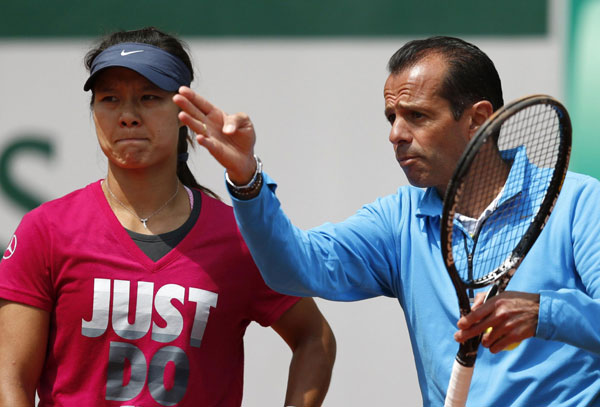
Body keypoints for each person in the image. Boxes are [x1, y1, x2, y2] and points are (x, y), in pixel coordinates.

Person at [173, 36, 600, 406]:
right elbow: (294, 269)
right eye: (391, 118)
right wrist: (246, 179)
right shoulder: (398, 220)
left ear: (477, 119)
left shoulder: (580, 202)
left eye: (416, 116)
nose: (395, 134)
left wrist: (547, 312)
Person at [0, 27, 336, 407]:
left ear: (184, 112)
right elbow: (10, 380)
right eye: (110, 98)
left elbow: (315, 338)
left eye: (149, 97)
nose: (127, 116)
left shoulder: (238, 238)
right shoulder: (47, 230)